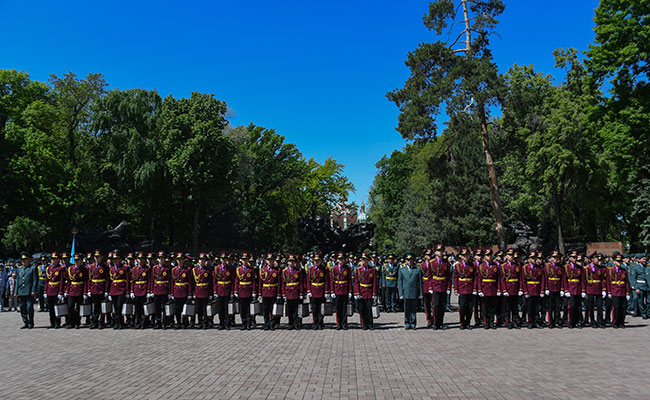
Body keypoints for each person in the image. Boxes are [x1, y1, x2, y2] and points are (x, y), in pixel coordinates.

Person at [398, 252, 422, 330]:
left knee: (414, 309)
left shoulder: (417, 269)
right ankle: (407, 323)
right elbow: (400, 282)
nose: (410, 261)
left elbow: (420, 283)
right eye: (408, 260)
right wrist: (400, 293)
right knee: (406, 309)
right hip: (406, 292)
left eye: (411, 259)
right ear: (405, 261)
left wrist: (421, 293)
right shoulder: (402, 269)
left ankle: (413, 323)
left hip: (414, 292)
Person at [354, 252, 377, 330]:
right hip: (361, 291)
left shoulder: (372, 270)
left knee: (369, 309)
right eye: (362, 260)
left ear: (368, 261)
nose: (364, 261)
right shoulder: (358, 270)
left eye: (365, 260)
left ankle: (370, 324)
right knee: (362, 309)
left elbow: (374, 282)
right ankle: (363, 324)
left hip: (369, 291)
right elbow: (356, 282)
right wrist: (357, 293)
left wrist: (374, 293)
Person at [430, 244, 451, 329]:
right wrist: (430, 287)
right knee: (436, 305)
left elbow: (448, 277)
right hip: (435, 286)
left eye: (441, 250)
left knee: (442, 305)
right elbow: (429, 276)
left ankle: (441, 323)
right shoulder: (432, 263)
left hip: (443, 285)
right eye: (438, 250)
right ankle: (435, 323)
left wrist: (448, 287)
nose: (440, 252)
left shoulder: (446, 263)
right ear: (435, 252)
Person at [259, 252, 282, 331]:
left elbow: (279, 283)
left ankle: (272, 324)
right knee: (265, 309)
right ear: (265, 261)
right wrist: (259, 293)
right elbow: (260, 283)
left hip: (273, 291)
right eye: (268, 260)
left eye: (272, 260)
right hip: (265, 291)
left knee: (272, 309)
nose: (270, 262)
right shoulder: (262, 270)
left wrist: (279, 294)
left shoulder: (277, 270)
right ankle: (266, 324)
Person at [522, 251, 545, 329]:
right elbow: (523, 281)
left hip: (537, 290)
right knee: (530, 307)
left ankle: (536, 321)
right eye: (532, 258)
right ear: (528, 259)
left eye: (535, 258)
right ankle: (530, 322)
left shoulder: (539, 268)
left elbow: (542, 280)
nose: (534, 259)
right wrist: (525, 291)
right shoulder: (525, 268)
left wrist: (542, 290)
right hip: (529, 290)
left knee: (537, 307)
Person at [65, 253, 88, 329]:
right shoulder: (70, 269)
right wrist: (66, 291)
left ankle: (77, 322)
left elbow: (86, 281)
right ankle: (71, 322)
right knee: (70, 306)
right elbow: (68, 281)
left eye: (78, 260)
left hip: (80, 289)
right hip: (72, 290)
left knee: (78, 307)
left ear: (81, 261)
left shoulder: (84, 269)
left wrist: (85, 292)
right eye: (75, 260)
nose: (76, 261)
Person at [583, 252, 607, 328]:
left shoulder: (600, 268)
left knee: (599, 306)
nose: (598, 260)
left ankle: (599, 321)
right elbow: (584, 280)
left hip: (599, 288)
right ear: (592, 259)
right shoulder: (586, 269)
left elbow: (603, 279)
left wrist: (604, 289)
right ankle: (592, 321)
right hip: (590, 289)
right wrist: (584, 291)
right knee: (591, 306)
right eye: (596, 258)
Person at [306, 251, 329, 330]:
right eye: (315, 260)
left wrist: (326, 291)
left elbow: (326, 281)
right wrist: (308, 291)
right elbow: (308, 281)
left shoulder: (324, 269)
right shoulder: (310, 269)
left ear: (321, 260)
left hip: (321, 290)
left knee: (321, 308)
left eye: (318, 260)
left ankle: (320, 323)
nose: (317, 262)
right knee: (314, 308)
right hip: (313, 290)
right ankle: (315, 322)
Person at [562, 251, 584, 329]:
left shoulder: (580, 268)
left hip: (578, 289)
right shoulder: (566, 267)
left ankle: (577, 321)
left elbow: (582, 280)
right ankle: (571, 322)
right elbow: (564, 279)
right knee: (571, 306)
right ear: (570, 258)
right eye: (573, 257)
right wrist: (565, 290)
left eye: (576, 257)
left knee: (578, 306)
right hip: (570, 288)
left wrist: (583, 290)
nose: (575, 259)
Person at [282, 254, 305, 330]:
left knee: (296, 309)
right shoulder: (285, 271)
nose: (291, 263)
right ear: (287, 262)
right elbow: (283, 283)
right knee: (290, 309)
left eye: (293, 261)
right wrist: (283, 293)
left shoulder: (298, 271)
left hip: (296, 291)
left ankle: (296, 323)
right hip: (288, 291)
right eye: (290, 261)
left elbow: (301, 282)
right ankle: (290, 323)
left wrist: (302, 293)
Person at [500, 248, 522, 329]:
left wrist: (520, 289)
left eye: (512, 255)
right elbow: (502, 279)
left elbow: (520, 278)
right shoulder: (503, 266)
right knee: (507, 307)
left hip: (515, 288)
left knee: (515, 307)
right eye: (509, 255)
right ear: (506, 256)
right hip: (508, 288)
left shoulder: (517, 266)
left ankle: (514, 321)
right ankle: (508, 321)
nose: (511, 257)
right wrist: (504, 290)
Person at [87, 249, 109, 329]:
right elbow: (89, 279)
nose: (97, 258)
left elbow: (107, 279)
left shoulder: (104, 266)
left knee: (101, 307)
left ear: (102, 257)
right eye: (95, 257)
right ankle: (94, 321)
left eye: (98, 257)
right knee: (95, 306)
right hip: (94, 288)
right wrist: (89, 290)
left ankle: (101, 322)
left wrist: (106, 290)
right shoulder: (92, 266)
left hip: (101, 288)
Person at [15, 253, 38, 328]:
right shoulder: (19, 269)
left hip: (29, 291)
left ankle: (31, 322)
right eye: (22, 260)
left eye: (25, 260)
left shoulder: (32, 268)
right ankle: (25, 322)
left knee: (29, 307)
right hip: (21, 291)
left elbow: (35, 280)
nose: (23, 261)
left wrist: (33, 290)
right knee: (22, 308)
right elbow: (17, 281)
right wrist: (16, 291)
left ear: (29, 260)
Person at [108, 250, 129, 329]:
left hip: (121, 289)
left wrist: (127, 291)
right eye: (113, 259)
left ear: (120, 259)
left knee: (119, 306)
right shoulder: (112, 269)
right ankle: (116, 322)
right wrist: (109, 292)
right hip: (113, 290)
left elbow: (127, 280)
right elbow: (110, 281)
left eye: (116, 259)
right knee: (115, 307)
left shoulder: (124, 268)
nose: (115, 260)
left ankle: (120, 322)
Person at [150, 251, 172, 329]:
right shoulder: (154, 268)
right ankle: (158, 322)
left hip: (164, 289)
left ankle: (164, 322)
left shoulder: (167, 269)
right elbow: (152, 280)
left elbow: (170, 281)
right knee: (157, 307)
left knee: (164, 307)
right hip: (156, 289)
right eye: (159, 258)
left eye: (162, 258)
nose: (161, 260)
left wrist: (170, 292)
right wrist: (151, 291)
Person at [331, 252, 352, 330]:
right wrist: (332, 291)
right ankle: (338, 324)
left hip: (345, 290)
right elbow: (331, 280)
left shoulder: (348, 268)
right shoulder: (334, 268)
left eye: (342, 259)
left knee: (344, 308)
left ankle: (344, 323)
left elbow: (349, 280)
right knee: (338, 308)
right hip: (337, 289)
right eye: (339, 259)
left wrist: (350, 291)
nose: (341, 261)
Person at [235, 252, 256, 330]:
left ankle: (248, 323)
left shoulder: (251, 270)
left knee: (248, 308)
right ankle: (243, 323)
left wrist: (254, 291)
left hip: (248, 290)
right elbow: (236, 281)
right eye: (243, 260)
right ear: (241, 260)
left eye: (246, 259)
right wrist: (235, 291)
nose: (245, 261)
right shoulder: (238, 269)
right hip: (241, 290)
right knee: (242, 309)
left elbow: (253, 281)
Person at [607, 253, 630, 328]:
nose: (619, 263)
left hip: (623, 291)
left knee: (623, 308)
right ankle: (615, 322)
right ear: (614, 262)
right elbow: (608, 282)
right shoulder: (611, 271)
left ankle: (621, 322)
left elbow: (627, 282)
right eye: (617, 261)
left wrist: (628, 293)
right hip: (615, 291)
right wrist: (609, 292)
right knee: (616, 308)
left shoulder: (624, 271)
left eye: (620, 261)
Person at [130, 251, 151, 329]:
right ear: (136, 260)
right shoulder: (134, 269)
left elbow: (149, 280)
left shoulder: (147, 269)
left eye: (142, 258)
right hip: (136, 290)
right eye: (139, 258)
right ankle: (138, 322)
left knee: (144, 308)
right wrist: (132, 291)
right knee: (137, 308)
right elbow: (132, 281)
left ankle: (144, 322)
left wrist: (149, 291)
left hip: (144, 289)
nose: (140, 260)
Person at [44, 252, 65, 328]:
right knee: (50, 308)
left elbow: (62, 281)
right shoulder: (49, 268)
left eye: (54, 259)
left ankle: (57, 322)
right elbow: (46, 281)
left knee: (57, 308)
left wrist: (60, 292)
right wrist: (45, 291)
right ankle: (52, 322)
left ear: (58, 260)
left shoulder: (61, 268)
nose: (53, 261)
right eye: (52, 259)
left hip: (56, 289)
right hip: (50, 290)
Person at [213, 252, 234, 330]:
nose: (224, 260)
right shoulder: (217, 268)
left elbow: (232, 280)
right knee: (220, 308)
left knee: (226, 308)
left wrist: (232, 291)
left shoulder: (230, 268)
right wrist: (215, 291)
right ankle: (221, 323)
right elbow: (214, 281)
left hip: (227, 289)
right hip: (219, 289)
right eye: (222, 259)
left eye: (225, 259)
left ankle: (227, 323)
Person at [544, 250, 564, 329]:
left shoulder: (561, 267)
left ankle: (557, 321)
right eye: (554, 257)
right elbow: (545, 278)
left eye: (557, 258)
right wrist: (546, 288)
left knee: (557, 307)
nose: (556, 259)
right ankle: (550, 322)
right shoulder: (547, 267)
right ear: (551, 258)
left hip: (558, 288)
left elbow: (562, 279)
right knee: (550, 307)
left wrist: (562, 289)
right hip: (550, 288)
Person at [629, 255, 649, 319]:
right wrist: (636, 287)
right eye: (643, 259)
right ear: (639, 260)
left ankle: (648, 312)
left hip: (647, 286)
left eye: (645, 259)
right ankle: (643, 313)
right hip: (640, 286)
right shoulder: (636, 268)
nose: (644, 261)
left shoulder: (647, 267)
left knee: (648, 301)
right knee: (641, 301)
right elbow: (633, 278)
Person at [420, 249, 434, 327]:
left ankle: (434, 319)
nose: (429, 256)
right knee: (427, 304)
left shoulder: (433, 263)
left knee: (434, 304)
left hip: (432, 284)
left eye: (430, 255)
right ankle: (429, 319)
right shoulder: (422, 265)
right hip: (425, 285)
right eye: (428, 255)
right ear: (425, 256)